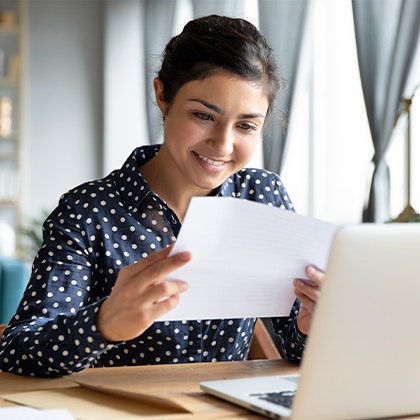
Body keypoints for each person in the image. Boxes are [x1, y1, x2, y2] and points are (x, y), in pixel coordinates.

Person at [0, 14, 324, 377]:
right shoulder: (89, 211)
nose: (223, 143)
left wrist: (312, 326)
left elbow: (296, 346)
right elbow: (17, 351)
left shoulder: (262, 196)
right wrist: (101, 324)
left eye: (246, 125)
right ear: (162, 96)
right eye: (203, 115)